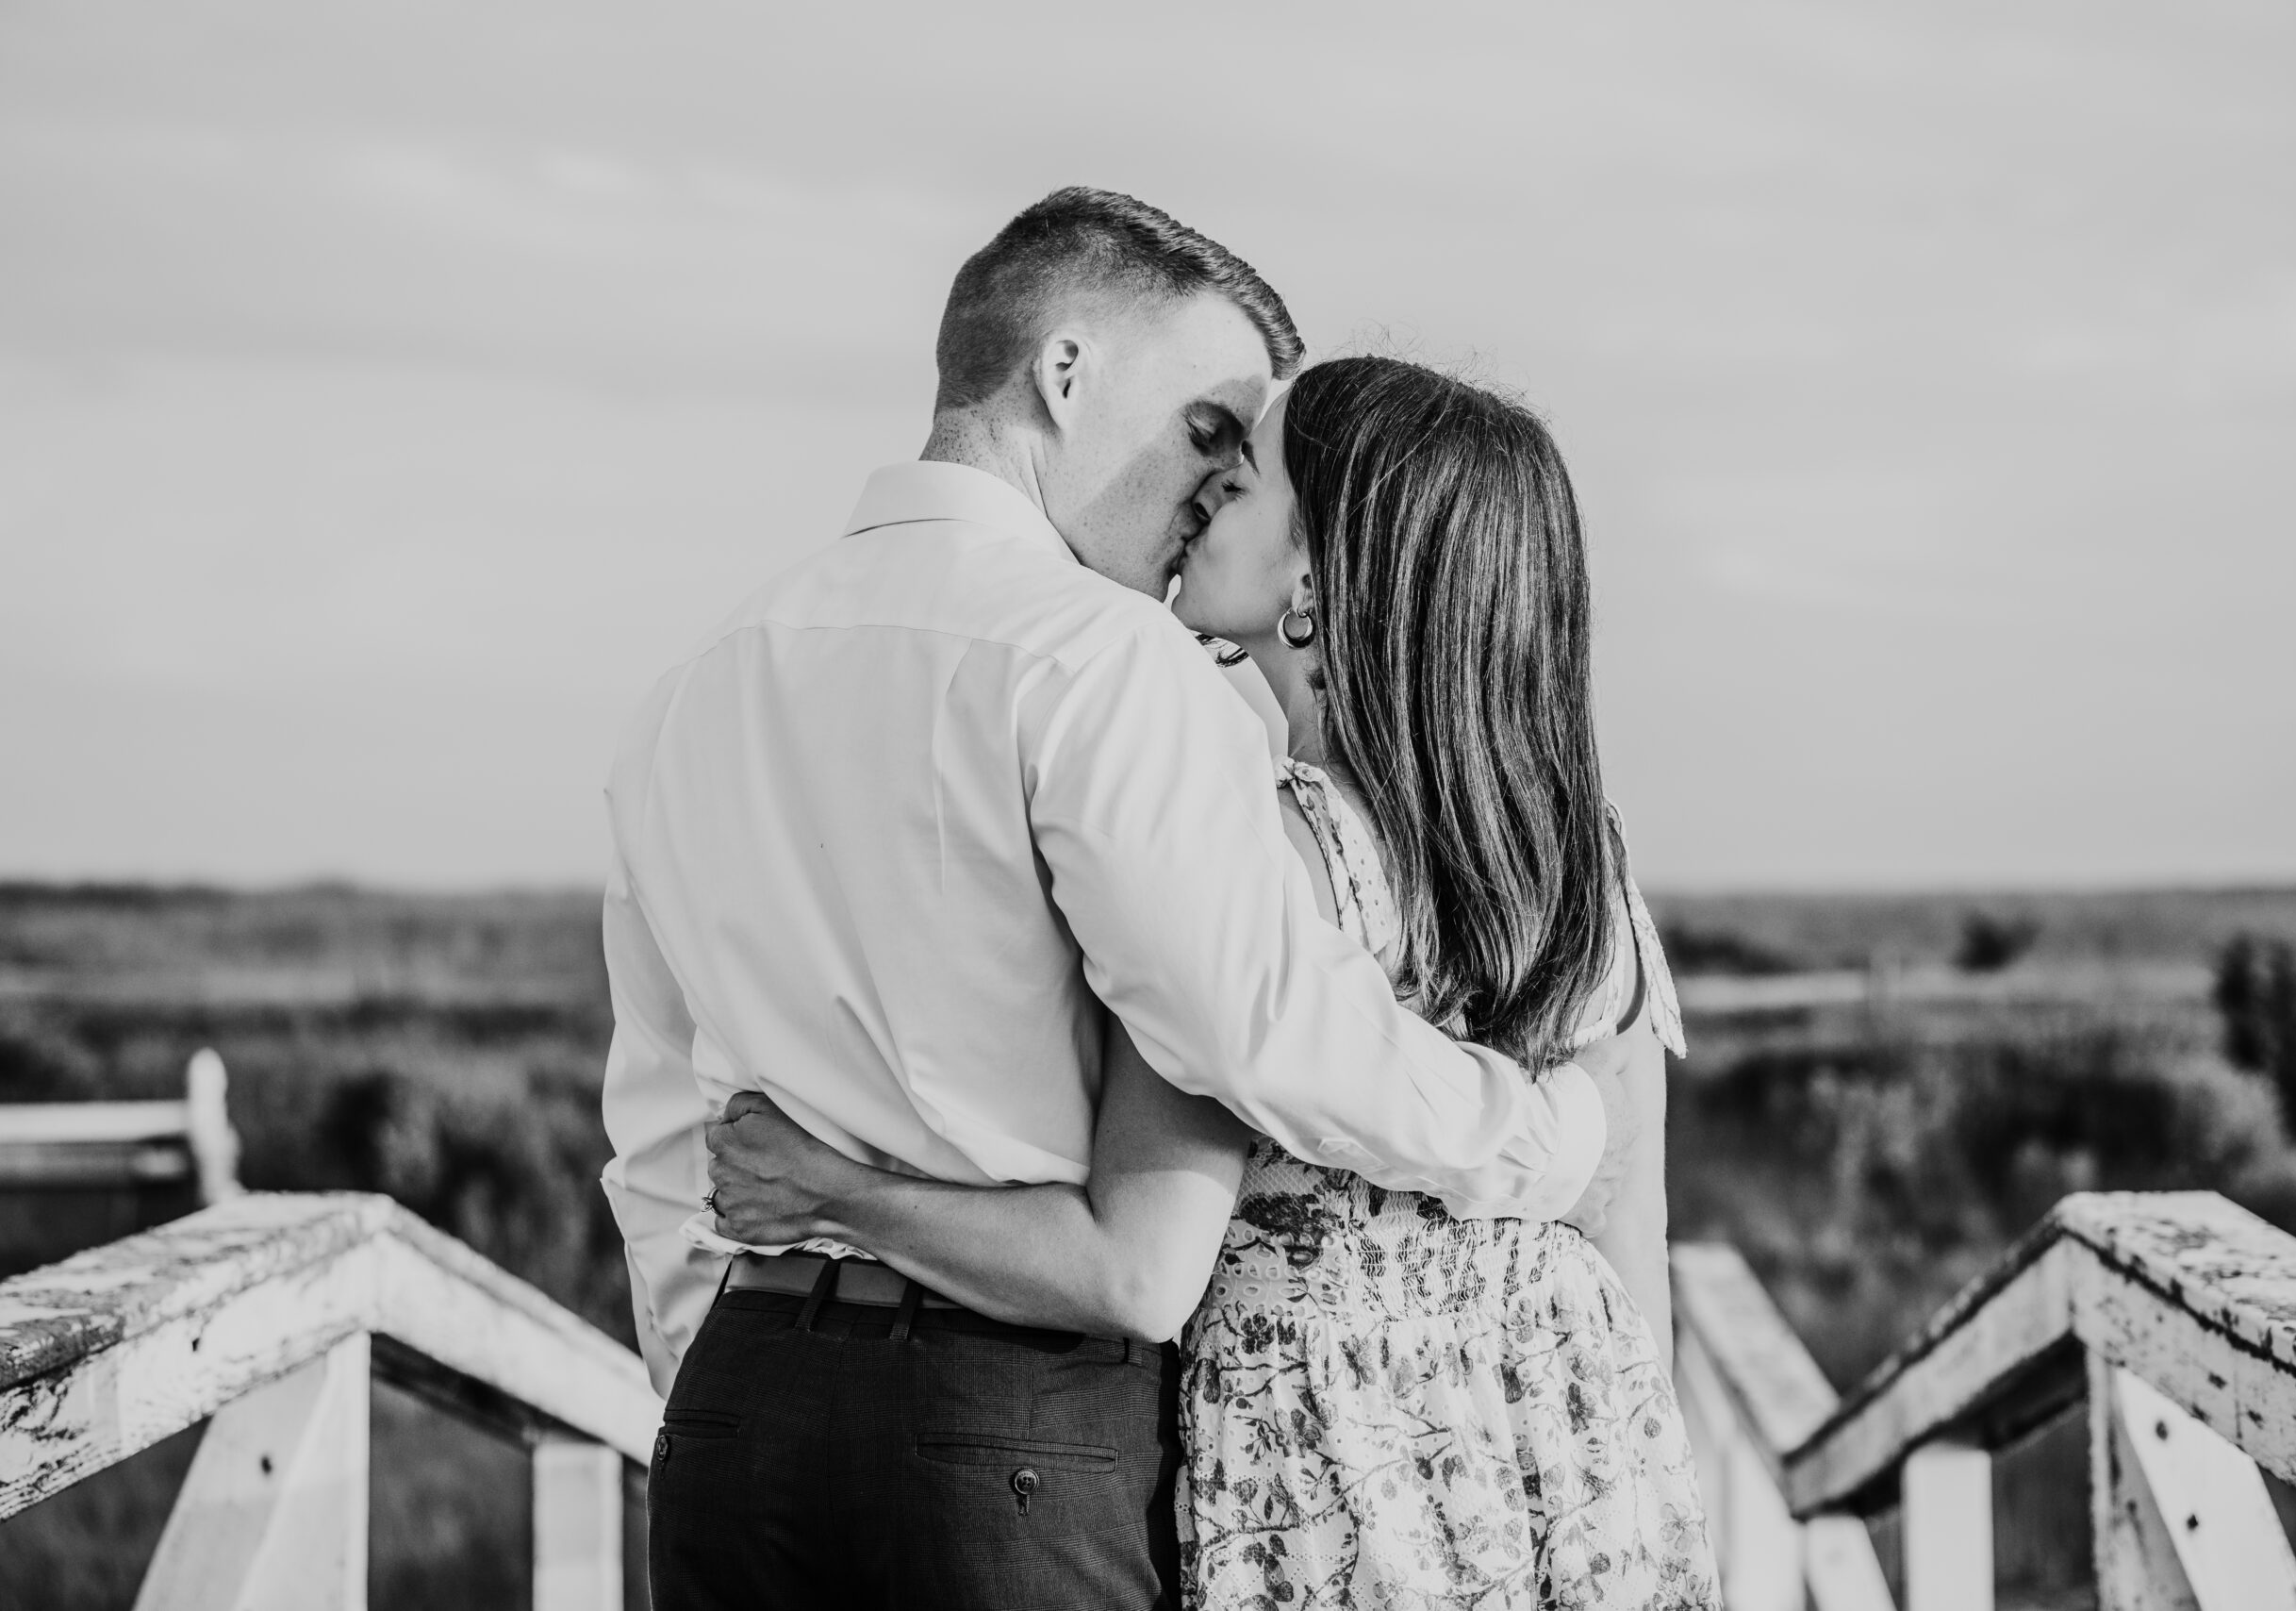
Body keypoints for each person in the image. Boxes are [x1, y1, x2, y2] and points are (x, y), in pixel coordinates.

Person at [600, 190, 1612, 1611]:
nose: (1214, 487)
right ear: (1063, 375)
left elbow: (656, 1122)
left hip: (735, 1419)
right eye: (1208, 429)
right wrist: (1538, 1135)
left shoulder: (695, 683)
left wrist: (713, 1384)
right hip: (1006, 1422)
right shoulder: (1101, 662)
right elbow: (1253, 1025)